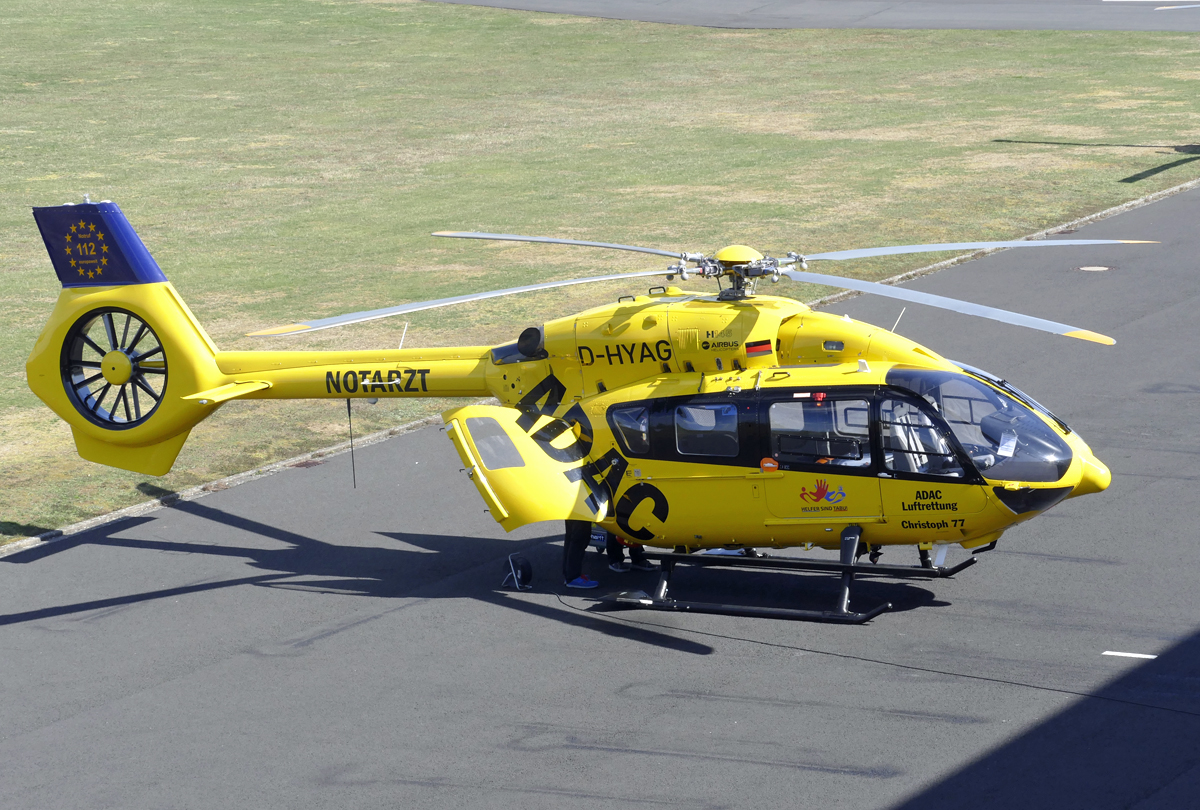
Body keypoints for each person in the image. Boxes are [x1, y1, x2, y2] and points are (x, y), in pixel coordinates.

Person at [562, 519, 599, 589]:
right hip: (580, 510)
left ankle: (569, 574)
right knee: (580, 537)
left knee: (571, 535)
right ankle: (573, 576)